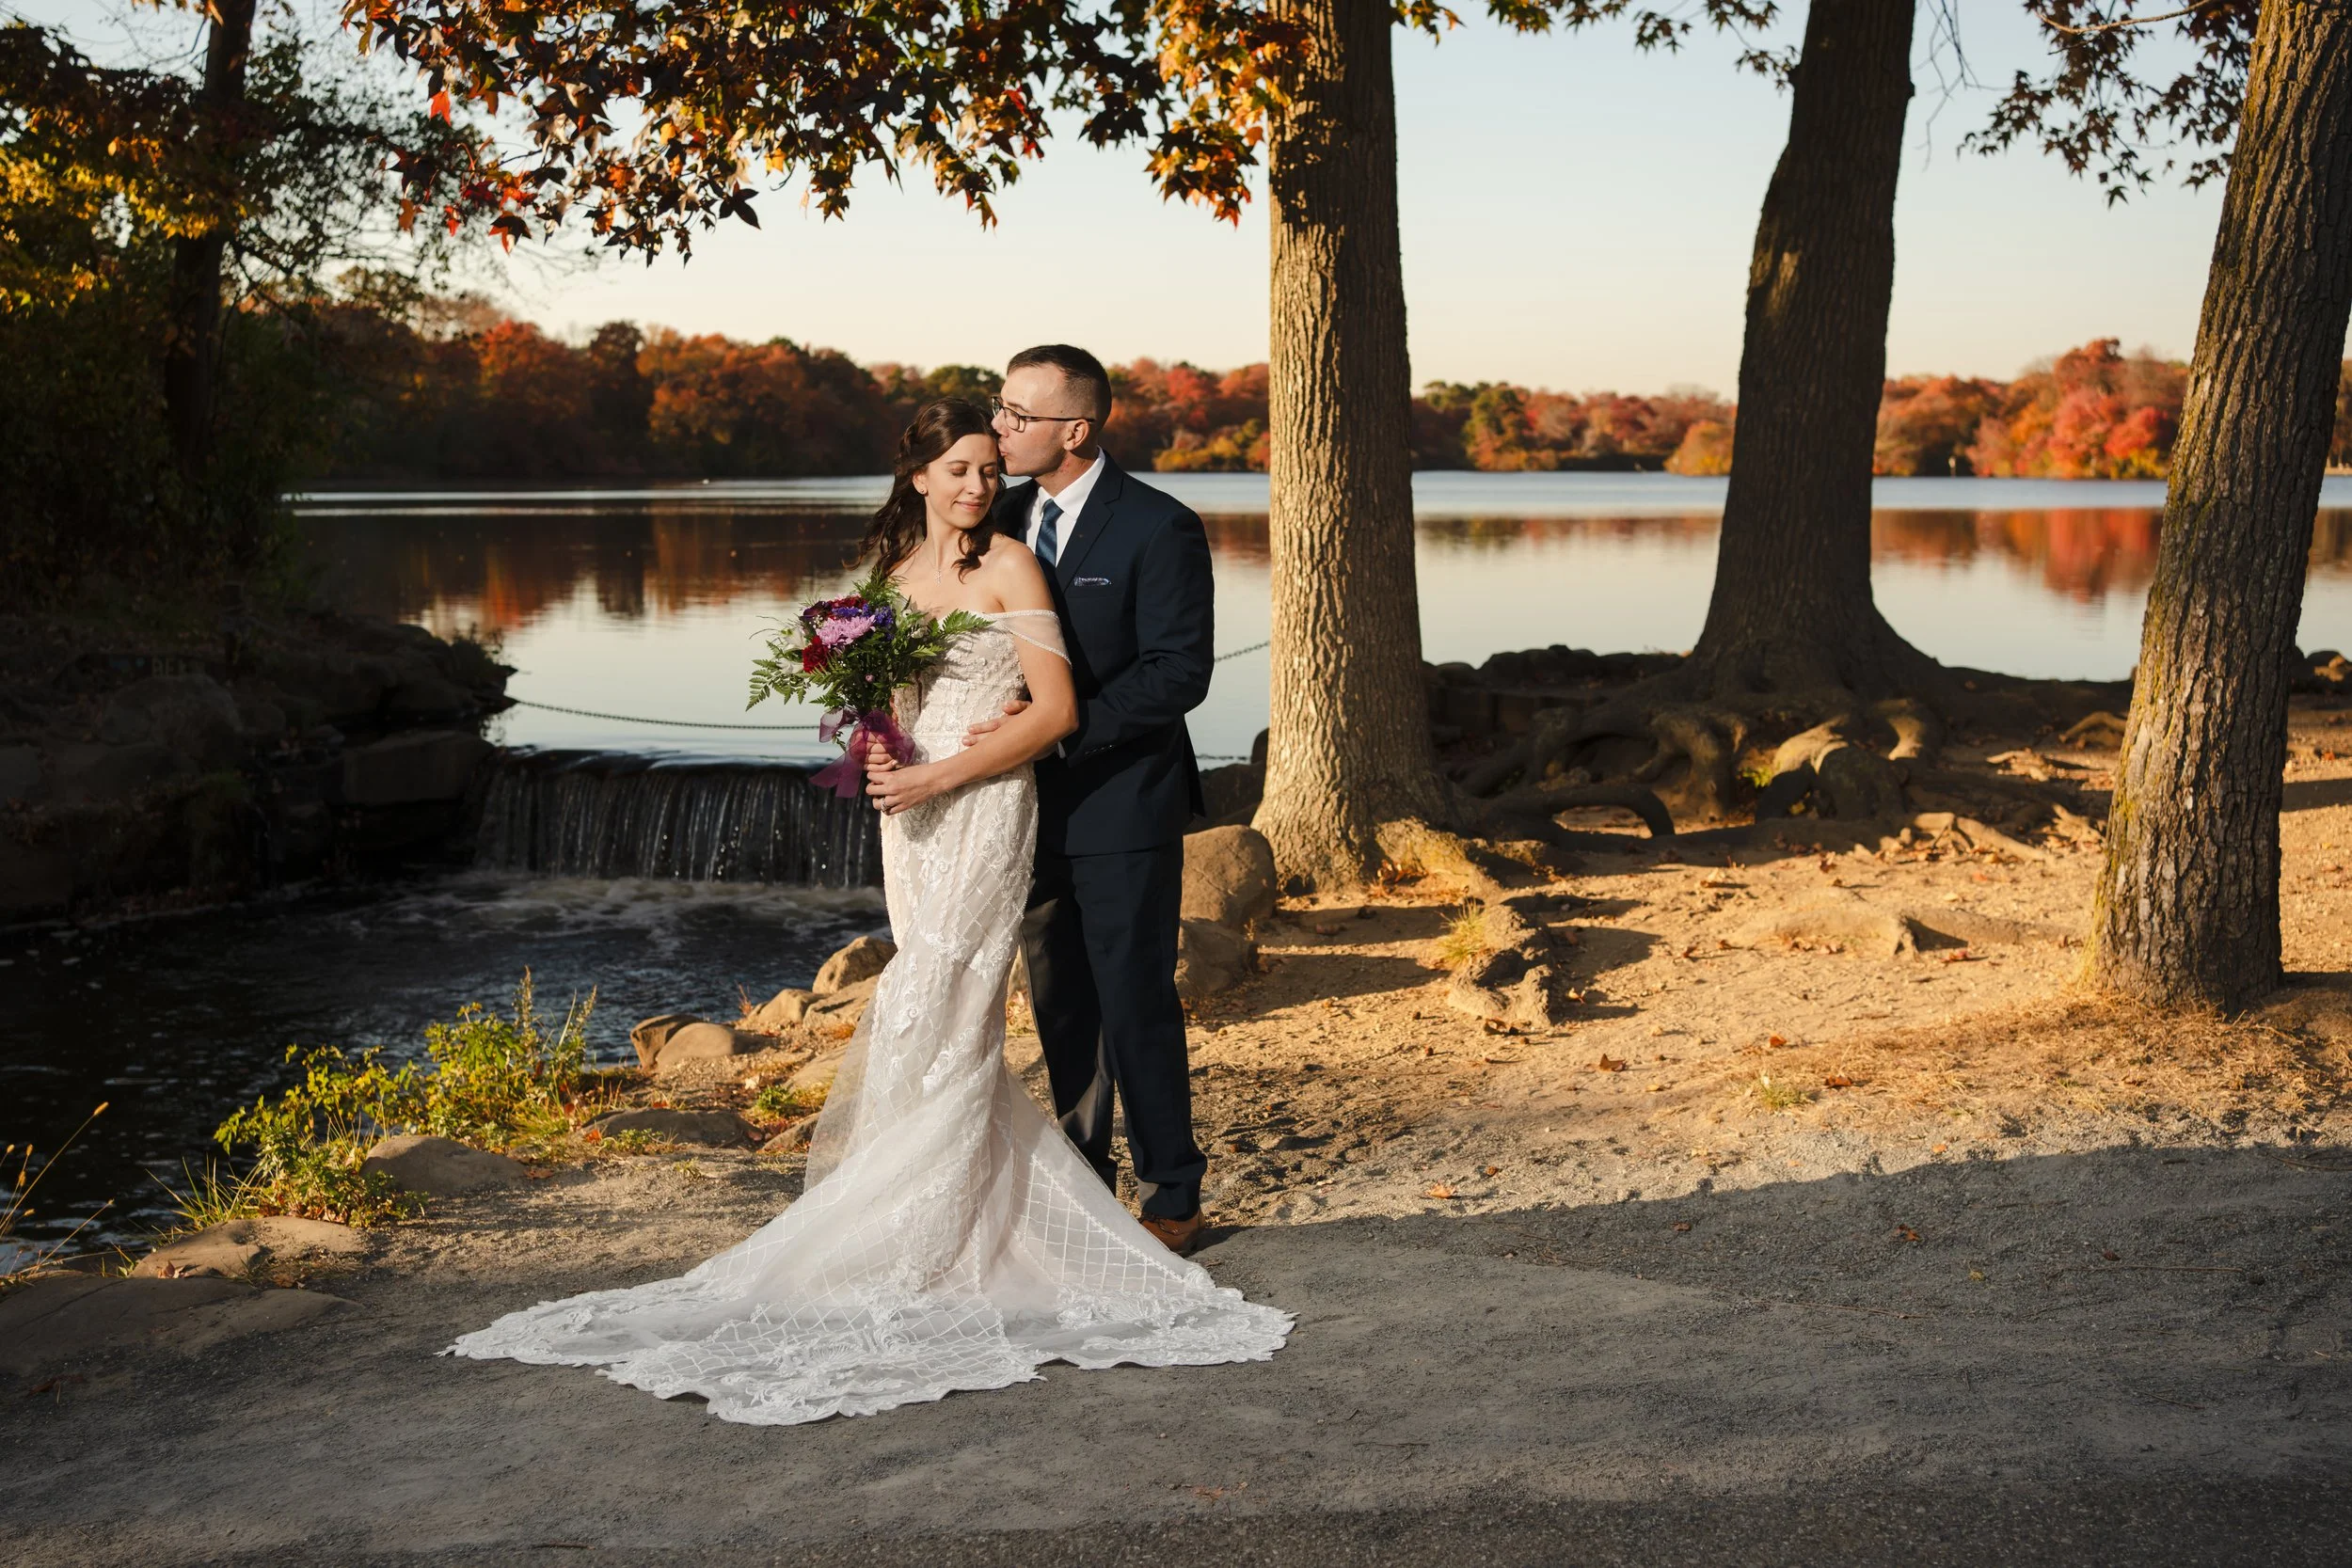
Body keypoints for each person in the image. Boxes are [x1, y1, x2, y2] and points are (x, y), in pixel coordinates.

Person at [446, 400, 1289, 1426]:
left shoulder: (1015, 566)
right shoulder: (887, 581)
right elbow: (873, 700)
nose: (980, 483)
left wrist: (940, 779)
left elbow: (1057, 708)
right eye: (961, 467)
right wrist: (880, 748)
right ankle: (925, 1207)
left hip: (979, 802)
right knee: (939, 989)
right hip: (911, 815)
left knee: (945, 994)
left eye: (991, 465)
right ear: (920, 478)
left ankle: (955, 1217)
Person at [966, 343, 1220, 1257]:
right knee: (1060, 999)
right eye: (1000, 408)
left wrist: (1055, 723)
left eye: (1017, 415)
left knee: (1133, 996)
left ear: (1075, 429)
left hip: (1123, 801)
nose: (1000, 427)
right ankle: (1083, 1184)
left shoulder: (1159, 527)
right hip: (1017, 807)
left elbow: (1176, 674)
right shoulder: (992, 517)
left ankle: (1174, 1193)